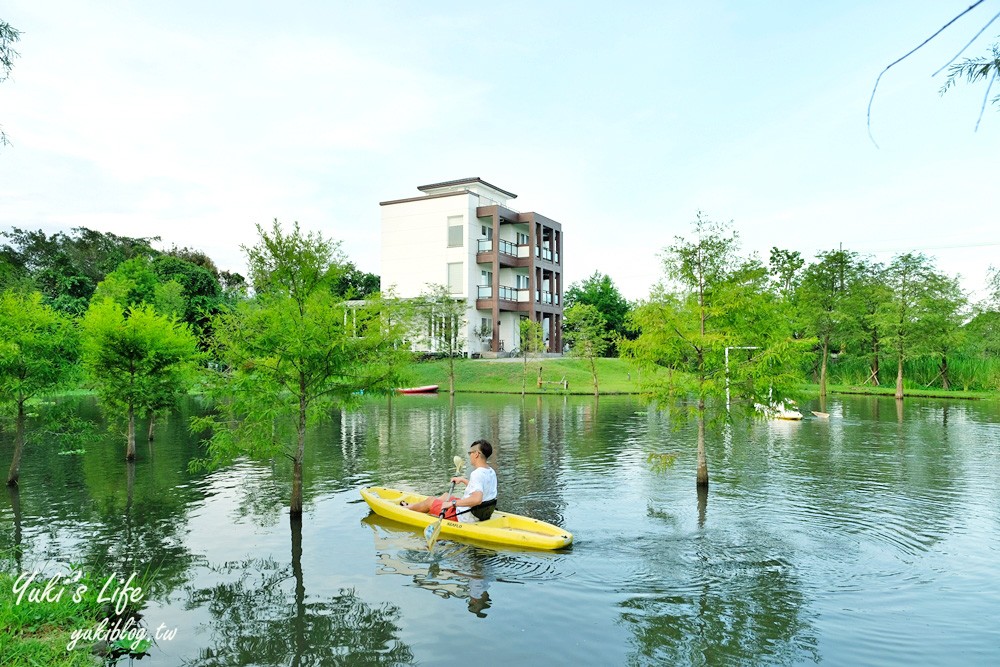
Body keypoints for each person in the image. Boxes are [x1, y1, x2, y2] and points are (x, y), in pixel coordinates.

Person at [404, 439, 497, 523]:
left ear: (476, 454)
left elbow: (477, 499)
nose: (470, 456)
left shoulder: (477, 474)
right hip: (482, 514)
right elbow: (481, 490)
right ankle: (421, 506)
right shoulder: (490, 471)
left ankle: (408, 509)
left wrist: (452, 504)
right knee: (445, 496)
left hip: (464, 517)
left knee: (430, 501)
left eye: (470, 453)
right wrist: (463, 480)